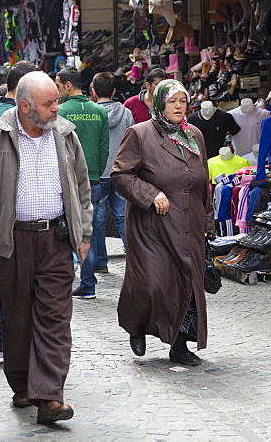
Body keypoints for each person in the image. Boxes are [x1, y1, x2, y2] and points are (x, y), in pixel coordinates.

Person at [0, 71, 92, 425]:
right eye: (49, 104)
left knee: (55, 319)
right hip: (11, 242)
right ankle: (21, 385)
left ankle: (49, 396)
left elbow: (81, 187)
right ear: (24, 106)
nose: (56, 109)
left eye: (56, 102)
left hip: (56, 240)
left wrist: (85, 232)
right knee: (17, 320)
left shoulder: (65, 135)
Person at [112, 79, 213, 367]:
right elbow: (121, 174)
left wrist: (208, 224)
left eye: (183, 100)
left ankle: (179, 347)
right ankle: (138, 325)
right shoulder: (140, 134)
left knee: (184, 283)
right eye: (172, 101)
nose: (179, 106)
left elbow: (203, 182)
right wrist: (150, 193)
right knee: (151, 283)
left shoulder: (194, 135)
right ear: (159, 104)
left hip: (187, 223)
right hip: (151, 226)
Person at [0, 59, 40, 359]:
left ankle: (5, 339)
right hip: (15, 215)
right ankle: (4, 339)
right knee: (20, 286)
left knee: (19, 286)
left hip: (10, 213)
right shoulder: (7, 118)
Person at [54, 66, 109, 300]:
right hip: (94, 179)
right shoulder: (99, 111)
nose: (55, 92)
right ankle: (89, 283)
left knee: (64, 232)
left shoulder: (60, 111)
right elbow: (104, 149)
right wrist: (94, 169)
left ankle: (69, 281)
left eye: (57, 86)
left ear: (68, 85)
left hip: (67, 181)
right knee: (92, 232)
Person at [78, 72, 133, 296]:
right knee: (123, 216)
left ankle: (100, 261)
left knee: (97, 220)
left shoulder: (90, 113)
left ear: (92, 91)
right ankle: (134, 261)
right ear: (113, 91)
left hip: (98, 172)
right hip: (121, 171)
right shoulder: (127, 113)